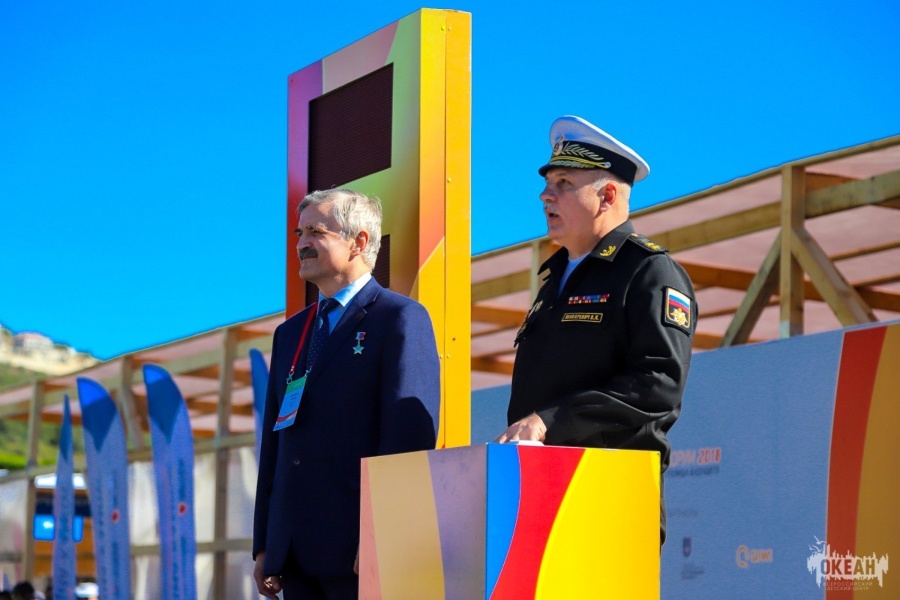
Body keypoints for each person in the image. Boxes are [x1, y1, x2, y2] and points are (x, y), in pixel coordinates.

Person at [495, 115, 697, 545]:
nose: (545, 194)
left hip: (607, 498)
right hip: (539, 493)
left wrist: (550, 422)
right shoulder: (554, 279)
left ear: (607, 196)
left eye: (564, 182)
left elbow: (658, 384)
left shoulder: (649, 271)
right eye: (547, 183)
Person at [253, 188, 441, 599]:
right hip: (294, 551)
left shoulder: (399, 318)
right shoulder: (291, 333)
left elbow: (409, 441)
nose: (301, 244)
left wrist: (383, 533)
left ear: (359, 241)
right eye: (299, 233)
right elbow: (275, 442)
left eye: (316, 232)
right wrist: (265, 542)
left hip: (357, 549)